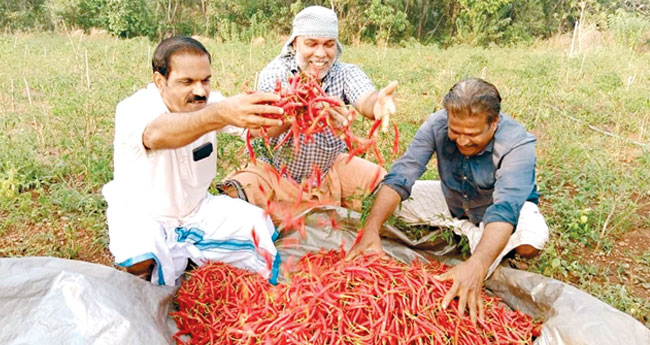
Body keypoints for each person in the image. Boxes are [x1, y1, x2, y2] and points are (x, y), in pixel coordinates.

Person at [347, 78, 549, 323]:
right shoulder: (437, 124)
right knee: (393, 202)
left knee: (532, 240)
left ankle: (481, 246)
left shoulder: (517, 142)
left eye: (472, 134)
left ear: (494, 123)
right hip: (454, 198)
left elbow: (505, 208)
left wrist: (478, 265)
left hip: (495, 205)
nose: (463, 141)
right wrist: (371, 229)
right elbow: (403, 174)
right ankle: (467, 232)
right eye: (455, 131)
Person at [102, 36, 286, 286]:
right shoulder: (134, 108)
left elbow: (259, 130)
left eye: (205, 80)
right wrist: (219, 113)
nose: (200, 91)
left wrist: (291, 114)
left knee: (256, 224)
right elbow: (158, 133)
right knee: (142, 249)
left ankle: (189, 256)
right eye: (187, 82)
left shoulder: (211, 105)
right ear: (160, 81)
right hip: (143, 213)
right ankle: (144, 283)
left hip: (196, 210)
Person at [220, 5, 398, 219]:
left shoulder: (345, 73)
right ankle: (309, 213)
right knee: (234, 195)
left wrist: (376, 104)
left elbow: (365, 98)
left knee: (387, 188)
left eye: (329, 44)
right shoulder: (276, 73)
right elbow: (266, 129)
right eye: (311, 43)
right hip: (275, 174)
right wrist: (301, 109)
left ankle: (298, 214)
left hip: (328, 171)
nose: (321, 53)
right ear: (295, 43)